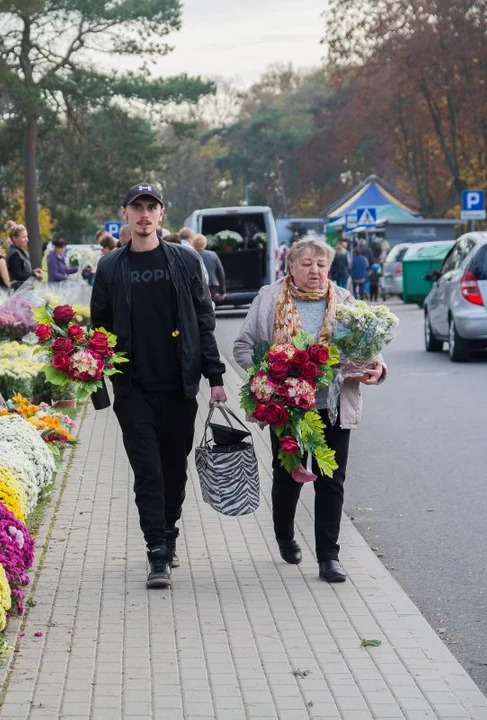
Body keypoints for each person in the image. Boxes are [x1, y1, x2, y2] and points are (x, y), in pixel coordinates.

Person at [90, 182, 228, 589]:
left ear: (161, 214)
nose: (144, 214)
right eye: (137, 208)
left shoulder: (185, 261)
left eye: (151, 207)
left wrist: (215, 378)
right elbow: (97, 331)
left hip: (180, 387)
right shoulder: (111, 267)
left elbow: (204, 320)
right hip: (133, 390)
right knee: (147, 473)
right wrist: (96, 384)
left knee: (174, 469)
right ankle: (156, 551)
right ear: (125, 214)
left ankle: (169, 533)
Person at [232, 237, 387, 583]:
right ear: (290, 266)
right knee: (287, 479)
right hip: (286, 408)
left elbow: (368, 346)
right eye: (307, 264)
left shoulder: (344, 299)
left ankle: (328, 557)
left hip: (333, 405)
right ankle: (285, 535)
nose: (315, 271)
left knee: (332, 480)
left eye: (321, 265)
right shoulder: (270, 298)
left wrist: (377, 367)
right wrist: (269, 373)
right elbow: (242, 346)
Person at [192, 233, 227, 304]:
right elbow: (221, 273)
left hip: (197, 286)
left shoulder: (190, 254)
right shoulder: (213, 254)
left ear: (193, 243)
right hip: (212, 286)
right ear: (205, 243)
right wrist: (222, 291)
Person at [5, 222, 41, 288]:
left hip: (23, 290)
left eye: (26, 236)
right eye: (23, 237)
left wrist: (33, 272)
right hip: (18, 291)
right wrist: (33, 274)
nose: (27, 239)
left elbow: (23, 272)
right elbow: (18, 276)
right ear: (14, 238)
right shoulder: (14, 254)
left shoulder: (20, 252)